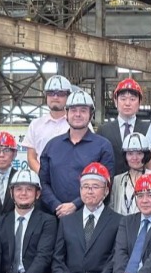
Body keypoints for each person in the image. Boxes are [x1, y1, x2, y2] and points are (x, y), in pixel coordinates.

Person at [39, 90, 114, 218]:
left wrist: (75, 205)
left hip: (89, 217)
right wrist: (56, 206)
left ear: (91, 115)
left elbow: (106, 183)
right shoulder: (52, 146)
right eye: (73, 110)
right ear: (66, 114)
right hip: (53, 216)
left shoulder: (103, 146)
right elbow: (43, 182)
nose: (78, 114)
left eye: (83, 110)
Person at [98, 78, 151, 176]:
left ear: (139, 102)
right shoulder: (104, 130)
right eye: (123, 99)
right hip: (113, 186)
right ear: (115, 101)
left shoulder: (149, 129)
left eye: (132, 99)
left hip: (141, 186)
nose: (127, 103)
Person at [24, 74, 72, 173]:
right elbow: (31, 157)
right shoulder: (35, 125)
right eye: (51, 93)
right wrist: (44, 176)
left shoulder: (79, 124)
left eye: (60, 93)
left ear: (69, 96)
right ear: (45, 96)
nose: (55, 97)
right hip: (42, 184)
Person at [110, 133, 151, 217]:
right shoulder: (117, 180)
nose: (134, 158)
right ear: (125, 156)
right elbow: (112, 206)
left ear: (146, 155)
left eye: (139, 153)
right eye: (130, 153)